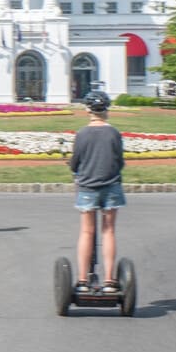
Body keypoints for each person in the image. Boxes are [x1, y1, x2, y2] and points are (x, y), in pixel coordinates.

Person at [66, 90, 125, 293]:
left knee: (87, 231)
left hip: (88, 185)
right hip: (111, 184)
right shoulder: (114, 133)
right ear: (107, 109)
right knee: (108, 231)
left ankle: (82, 280)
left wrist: (74, 169)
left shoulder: (82, 133)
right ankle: (109, 280)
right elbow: (119, 161)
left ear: (88, 109)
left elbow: (76, 161)